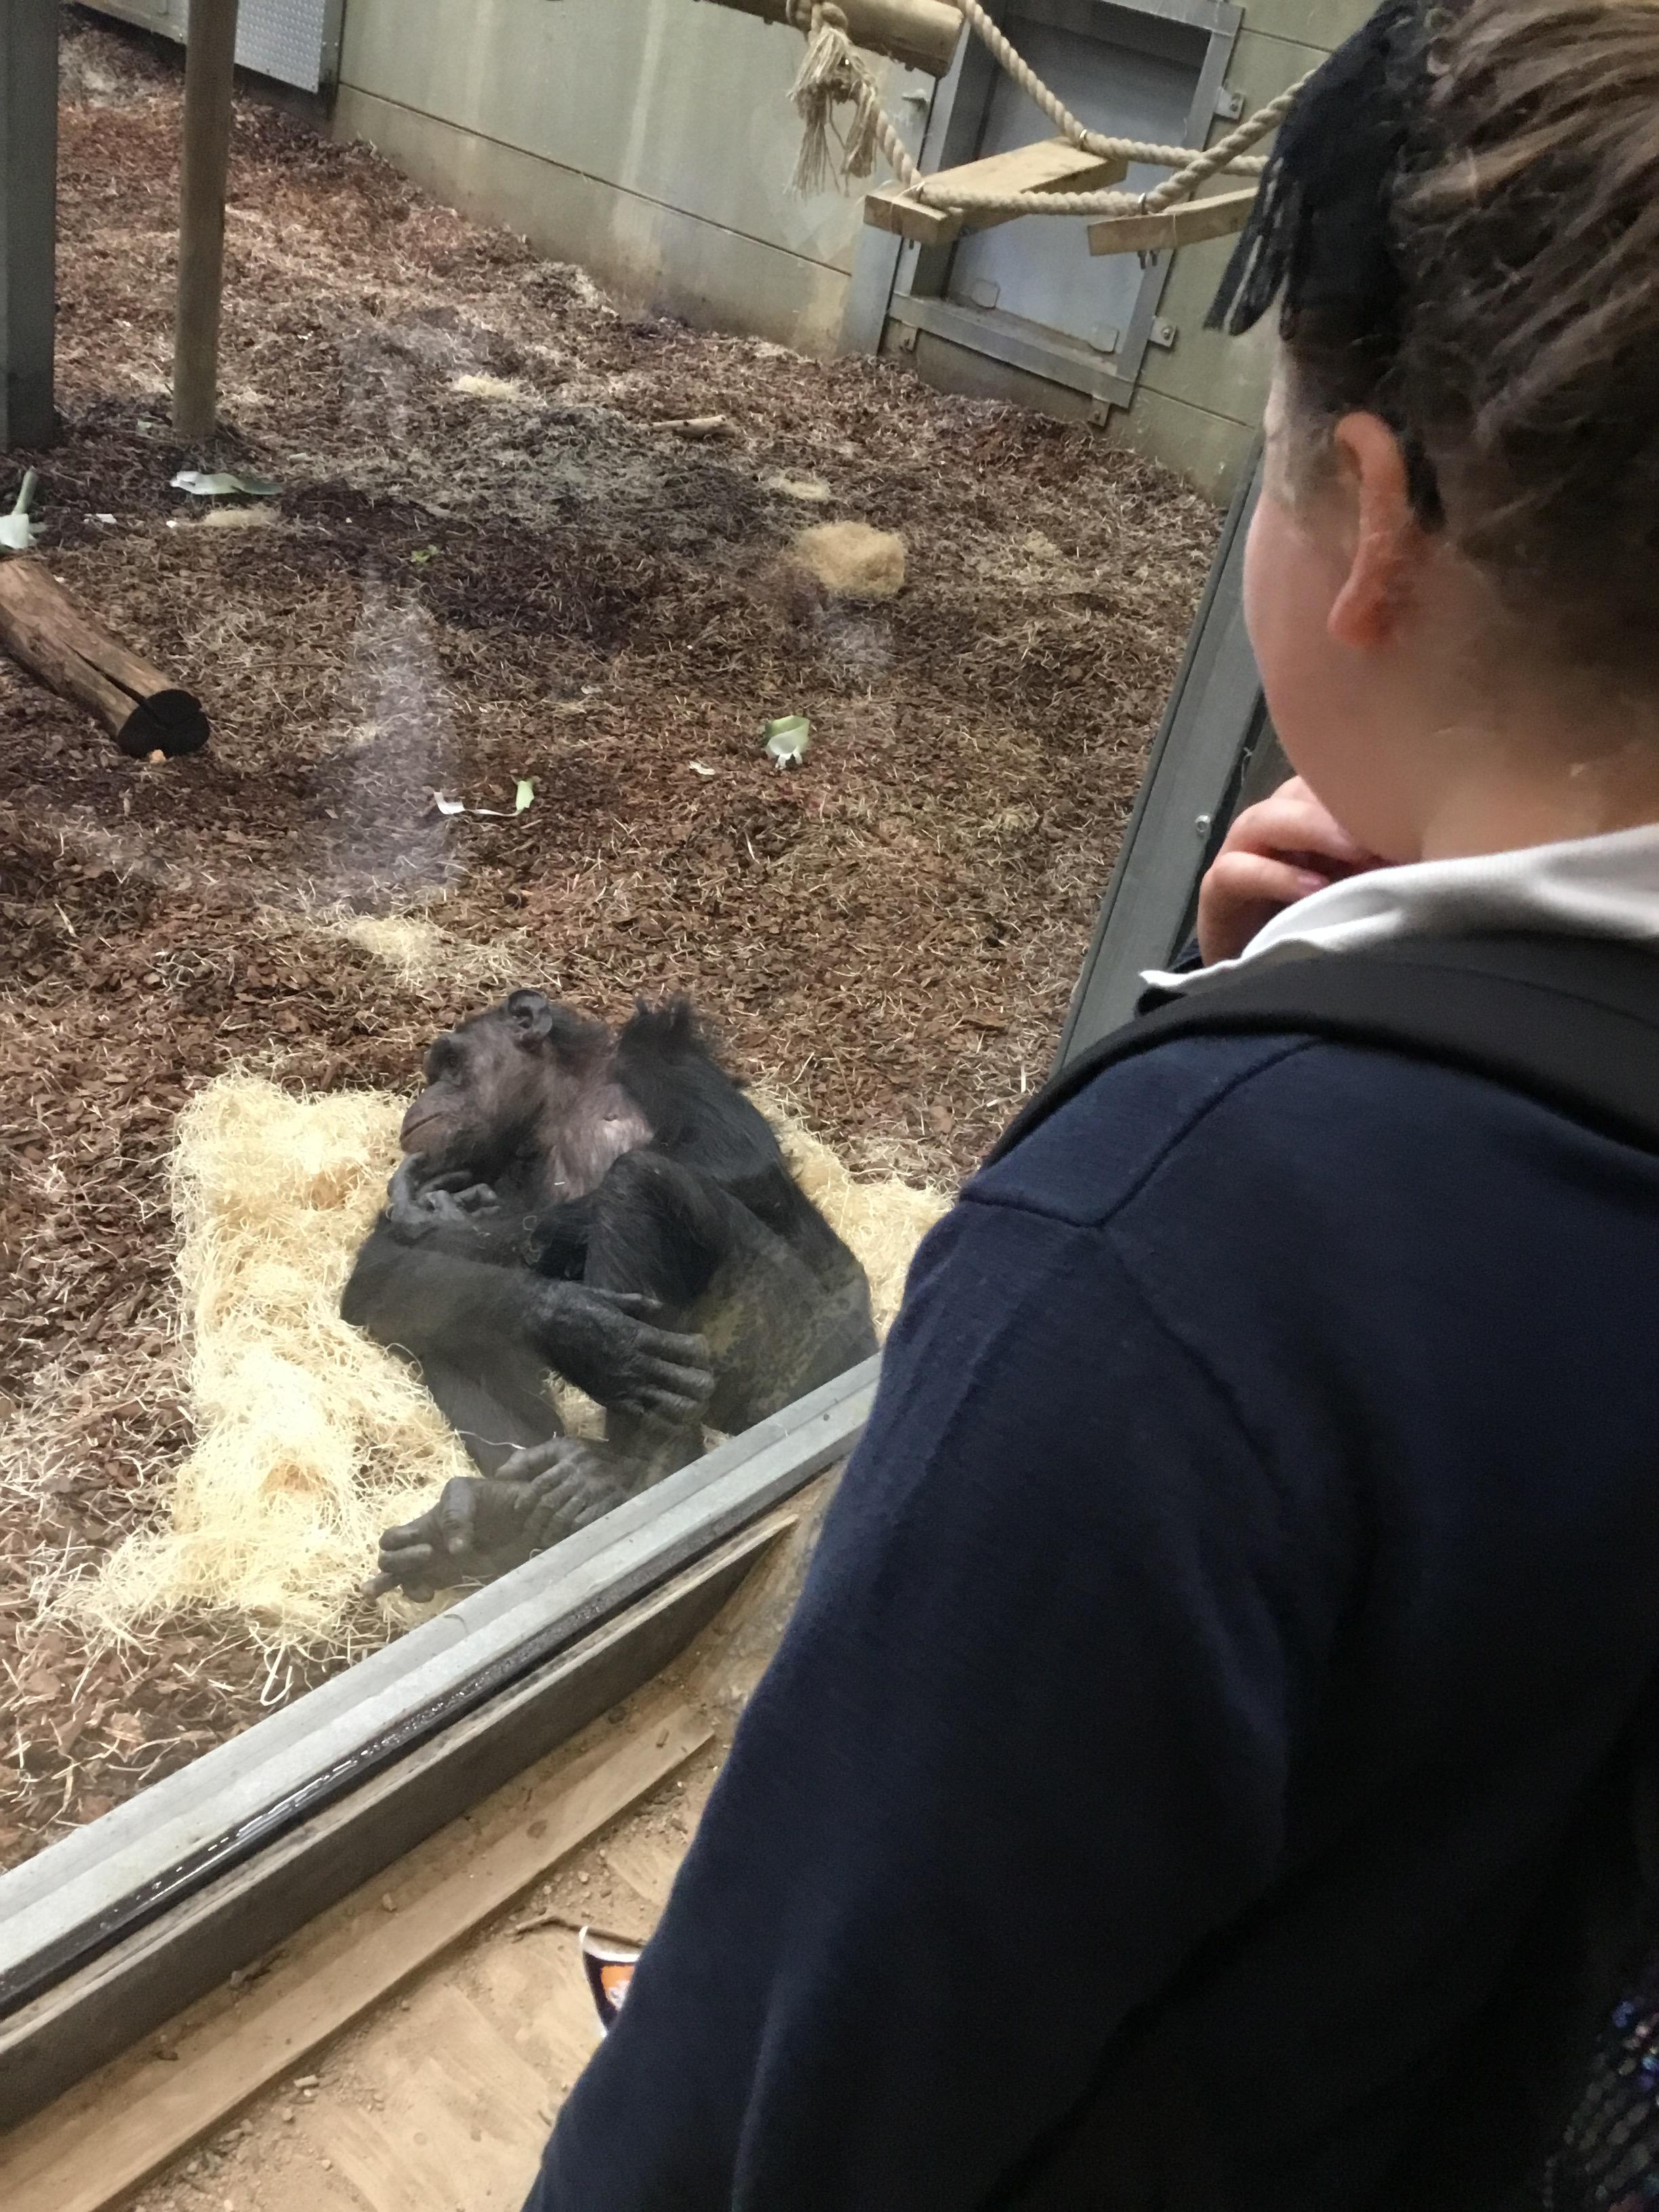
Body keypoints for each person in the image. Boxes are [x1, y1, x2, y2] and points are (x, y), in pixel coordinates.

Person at [521, 0, 1659, 2203]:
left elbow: (776, 2120)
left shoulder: (1169, 1272)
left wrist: (1271, 1095)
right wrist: (1380, 981)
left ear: (1372, 519)